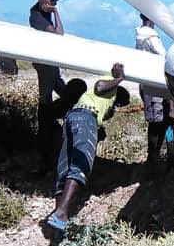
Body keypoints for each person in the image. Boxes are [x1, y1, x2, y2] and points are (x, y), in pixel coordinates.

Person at [44, 63, 129, 235]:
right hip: (85, 117)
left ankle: (58, 219)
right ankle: (61, 213)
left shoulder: (95, 100)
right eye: (119, 104)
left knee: (65, 169)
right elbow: (99, 87)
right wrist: (119, 78)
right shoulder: (110, 84)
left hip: (73, 118)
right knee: (81, 165)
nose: (116, 107)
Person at [28, 0, 72, 172]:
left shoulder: (49, 0)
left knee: (67, 93)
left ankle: (58, 130)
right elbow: (58, 34)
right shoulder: (36, 16)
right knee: (45, 103)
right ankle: (44, 153)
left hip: (52, 63)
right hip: (45, 64)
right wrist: (55, 11)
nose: (49, 1)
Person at [134, 14, 174, 170]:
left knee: (159, 121)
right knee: (157, 122)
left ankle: (154, 155)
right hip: (153, 83)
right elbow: (163, 56)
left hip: (148, 83)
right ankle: (153, 157)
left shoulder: (140, 35)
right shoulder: (149, 36)